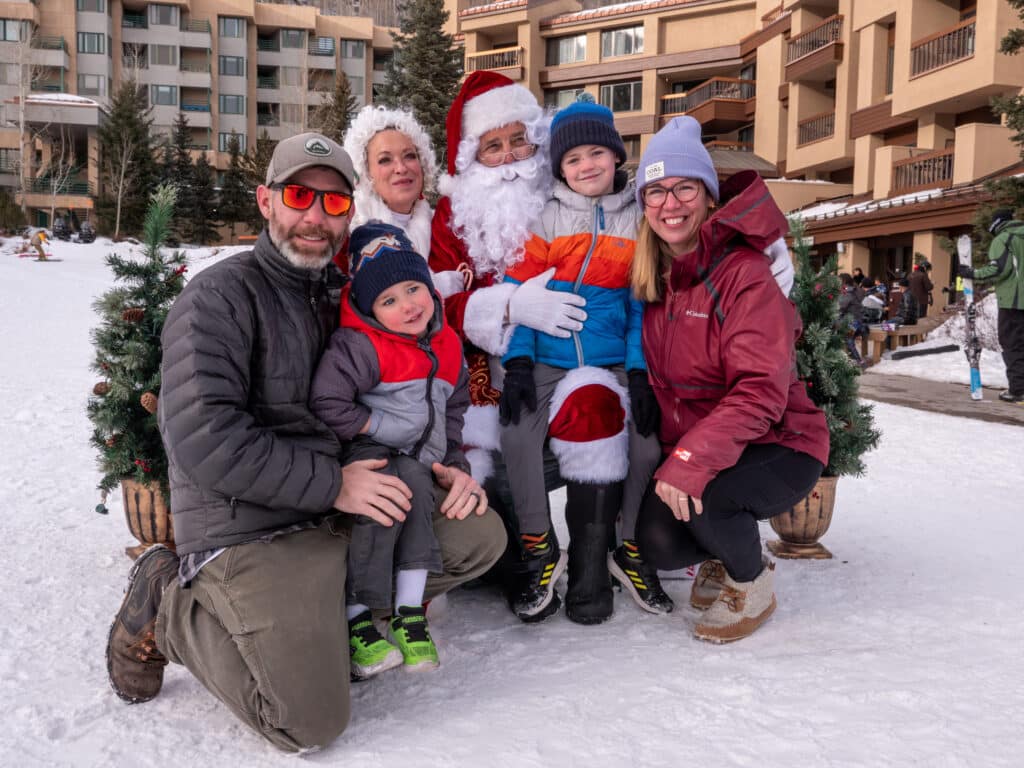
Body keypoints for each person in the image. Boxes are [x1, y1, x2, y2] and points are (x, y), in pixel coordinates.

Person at [104, 132, 505, 753]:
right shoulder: (219, 298)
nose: (316, 217)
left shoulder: (350, 298)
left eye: (335, 203)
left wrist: (443, 465)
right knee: (307, 721)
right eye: (299, 196)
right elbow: (204, 439)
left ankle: (332, 619)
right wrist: (334, 484)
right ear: (267, 201)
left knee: (478, 536)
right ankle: (170, 604)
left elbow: (406, 393)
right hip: (250, 525)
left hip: (335, 513)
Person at [631, 116, 830, 643]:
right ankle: (724, 551)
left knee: (712, 498)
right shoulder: (656, 279)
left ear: (709, 197)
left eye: (684, 188)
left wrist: (691, 462)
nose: (669, 204)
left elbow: (761, 390)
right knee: (655, 538)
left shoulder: (742, 274)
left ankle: (752, 582)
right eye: (655, 191)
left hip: (781, 441)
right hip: (712, 444)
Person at [496, 95, 667, 624]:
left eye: (596, 153)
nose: (586, 166)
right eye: (572, 159)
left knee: (644, 442)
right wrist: (520, 363)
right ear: (559, 168)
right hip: (546, 358)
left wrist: (637, 372)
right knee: (518, 433)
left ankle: (628, 547)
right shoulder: (544, 217)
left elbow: (641, 305)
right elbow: (519, 294)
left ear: (616, 156)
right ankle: (539, 544)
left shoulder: (638, 221)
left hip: (611, 359)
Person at [310, 221, 478, 678]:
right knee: (388, 502)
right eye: (389, 300)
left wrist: (453, 459)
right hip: (370, 453)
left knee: (419, 495)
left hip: (420, 459)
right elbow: (327, 400)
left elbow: (455, 405)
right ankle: (357, 619)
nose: (407, 306)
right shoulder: (360, 344)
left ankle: (409, 613)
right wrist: (379, 425)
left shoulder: (446, 344)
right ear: (369, 309)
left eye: (412, 289)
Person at [342, 105, 468, 298]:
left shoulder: (444, 230)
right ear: (365, 172)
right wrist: (439, 286)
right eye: (385, 160)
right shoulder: (350, 235)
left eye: (409, 156)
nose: (401, 168)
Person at [957, 208, 1024, 403]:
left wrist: (972, 273)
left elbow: (999, 269)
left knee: (1013, 344)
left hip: (1014, 303)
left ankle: (1019, 389)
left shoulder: (1003, 239)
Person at [838, 272, 867, 362]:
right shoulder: (854, 290)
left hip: (854, 323)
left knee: (848, 338)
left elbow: (840, 308)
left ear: (843, 281)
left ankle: (858, 361)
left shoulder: (847, 293)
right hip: (858, 321)